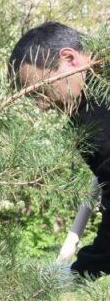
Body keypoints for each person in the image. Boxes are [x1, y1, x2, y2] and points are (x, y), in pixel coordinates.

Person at [9, 21, 110, 277]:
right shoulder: (86, 106)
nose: (42, 107)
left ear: (69, 58)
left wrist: (86, 268)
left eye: (42, 91)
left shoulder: (97, 114)